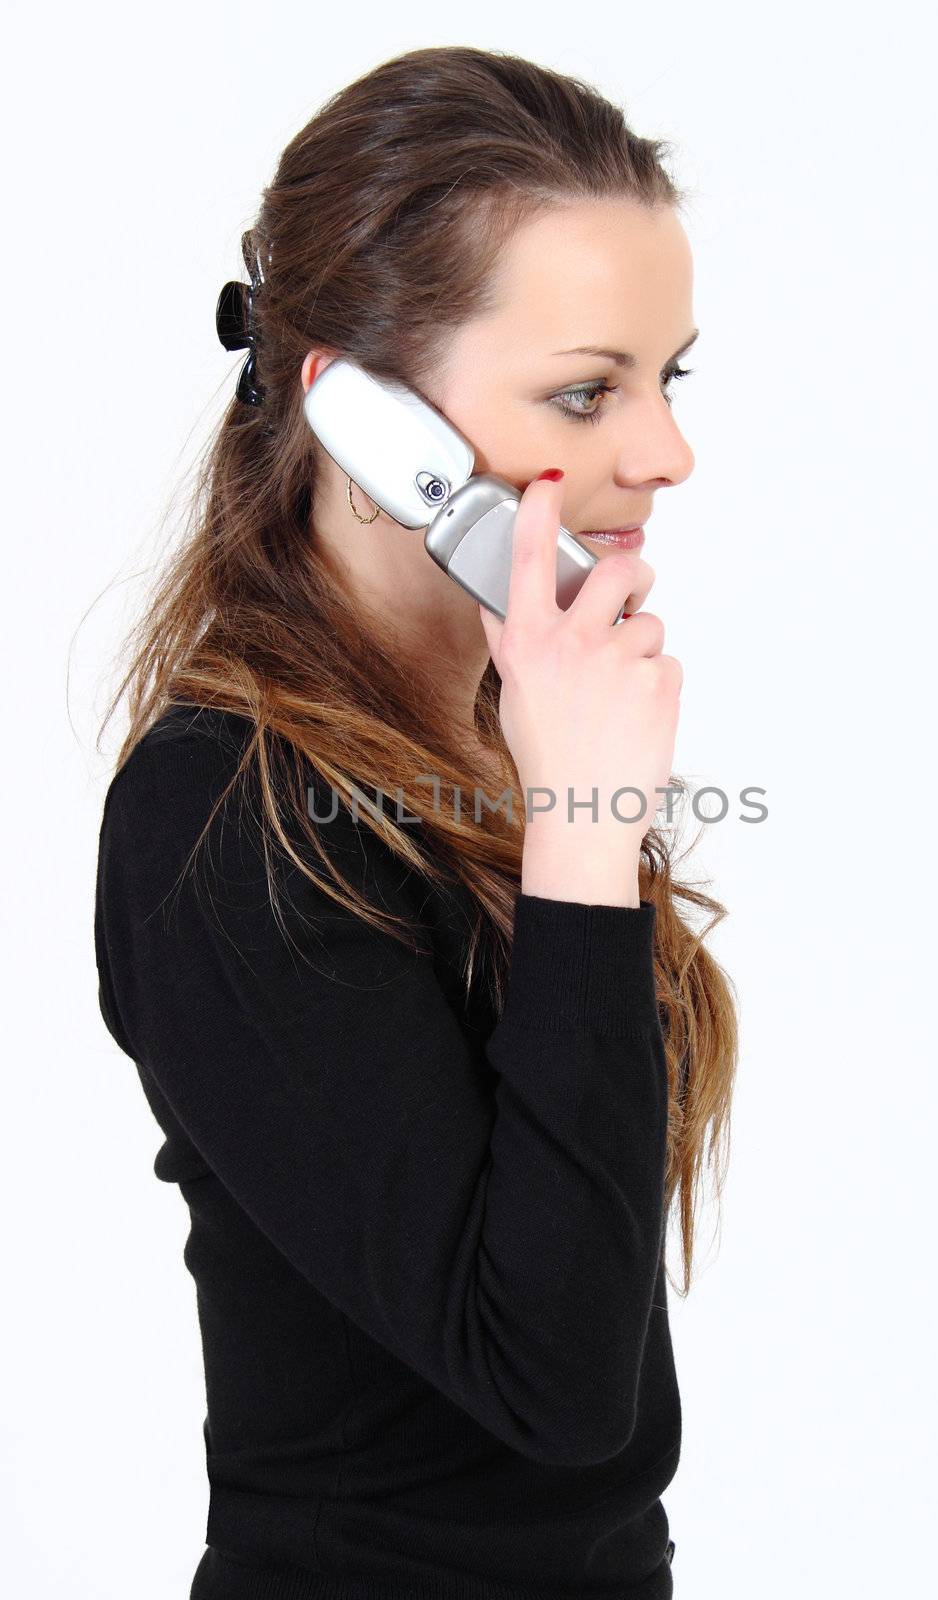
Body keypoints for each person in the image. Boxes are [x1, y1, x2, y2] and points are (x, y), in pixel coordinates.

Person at [94, 45, 738, 1599]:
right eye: (589, 390)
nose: (665, 454)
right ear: (373, 423)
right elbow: (557, 1391)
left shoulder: (495, 735)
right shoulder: (218, 814)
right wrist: (585, 832)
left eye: (671, 378)